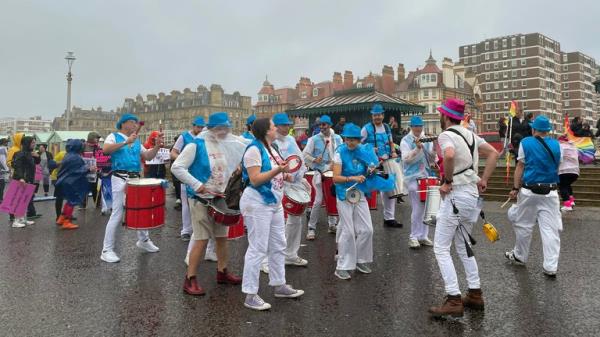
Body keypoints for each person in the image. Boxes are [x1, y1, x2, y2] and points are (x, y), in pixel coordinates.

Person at [428, 98, 499, 318]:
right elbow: (495, 153)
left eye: (441, 113)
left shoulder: (446, 134)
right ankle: (475, 294)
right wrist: (484, 179)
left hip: (457, 194)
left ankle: (453, 299)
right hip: (472, 195)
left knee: (440, 248)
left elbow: (448, 155)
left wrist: (447, 181)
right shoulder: (470, 135)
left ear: (446, 116)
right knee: (463, 245)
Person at [171, 112, 246, 296]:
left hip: (219, 197)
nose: (223, 132)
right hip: (199, 199)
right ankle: (190, 279)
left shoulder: (225, 145)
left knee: (222, 237)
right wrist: (197, 185)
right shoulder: (195, 144)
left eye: (226, 128)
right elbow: (176, 167)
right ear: (211, 129)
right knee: (202, 238)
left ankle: (222, 272)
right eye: (220, 128)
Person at [241, 117, 304, 310]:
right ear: (266, 131)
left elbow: (276, 172)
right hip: (257, 202)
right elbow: (255, 179)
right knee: (257, 248)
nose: (276, 128)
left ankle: (279, 284)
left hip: (274, 202)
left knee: (279, 244)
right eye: (273, 126)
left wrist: (286, 175)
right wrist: (279, 169)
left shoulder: (272, 148)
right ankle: (250, 295)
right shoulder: (253, 150)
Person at [332, 123, 395, 280]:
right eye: (348, 139)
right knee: (348, 230)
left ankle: (360, 260)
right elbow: (335, 178)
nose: (351, 142)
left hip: (358, 193)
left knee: (367, 229)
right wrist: (352, 178)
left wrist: (371, 171)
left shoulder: (364, 151)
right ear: (345, 138)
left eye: (354, 139)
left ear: (359, 140)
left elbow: (372, 172)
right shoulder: (339, 152)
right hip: (343, 193)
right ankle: (342, 266)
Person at [99, 114, 163, 263]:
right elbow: (106, 150)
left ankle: (144, 240)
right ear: (123, 124)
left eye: (136, 123)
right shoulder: (113, 136)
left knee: (142, 210)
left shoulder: (137, 141)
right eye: (132, 122)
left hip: (135, 178)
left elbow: (147, 156)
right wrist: (126, 142)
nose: (135, 125)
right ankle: (106, 249)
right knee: (117, 212)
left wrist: (157, 146)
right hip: (120, 178)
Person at [506, 115, 562, 278]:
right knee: (550, 230)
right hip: (550, 191)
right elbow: (557, 166)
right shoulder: (557, 144)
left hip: (530, 191)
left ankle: (520, 256)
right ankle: (550, 267)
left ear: (534, 129)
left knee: (524, 225)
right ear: (547, 130)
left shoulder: (526, 142)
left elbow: (520, 166)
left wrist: (515, 188)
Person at [272, 113, 310, 267]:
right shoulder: (270, 141)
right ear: (275, 126)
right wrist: (282, 175)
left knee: (296, 218)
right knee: (275, 223)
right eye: (284, 125)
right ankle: (269, 260)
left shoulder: (290, 139)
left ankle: (290, 254)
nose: (288, 127)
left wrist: (302, 177)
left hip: (293, 183)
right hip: (277, 184)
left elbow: (299, 159)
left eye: (288, 125)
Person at [361, 103, 402, 228]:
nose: (377, 117)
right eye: (375, 115)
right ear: (372, 116)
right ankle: (361, 218)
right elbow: (358, 145)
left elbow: (390, 141)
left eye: (379, 115)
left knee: (389, 188)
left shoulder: (386, 127)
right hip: (372, 164)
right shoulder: (366, 129)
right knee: (366, 188)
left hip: (386, 161)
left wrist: (393, 151)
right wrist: (369, 148)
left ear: (383, 116)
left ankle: (389, 218)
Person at [302, 115, 342, 240]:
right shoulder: (313, 139)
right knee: (318, 201)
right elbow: (305, 155)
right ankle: (311, 228)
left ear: (329, 125)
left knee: (333, 199)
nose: (321, 127)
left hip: (334, 173)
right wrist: (314, 159)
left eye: (324, 124)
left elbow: (342, 152)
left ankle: (332, 224)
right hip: (320, 174)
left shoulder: (337, 138)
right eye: (320, 125)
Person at [400, 116, 437, 248]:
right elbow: (406, 159)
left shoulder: (427, 139)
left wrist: (435, 148)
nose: (418, 128)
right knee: (417, 208)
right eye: (416, 126)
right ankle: (413, 236)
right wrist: (417, 149)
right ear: (411, 127)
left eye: (420, 126)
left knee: (427, 208)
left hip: (426, 177)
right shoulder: (406, 140)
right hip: (412, 178)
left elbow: (433, 160)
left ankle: (423, 236)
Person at [170, 117, 205, 242]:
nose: (200, 130)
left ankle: (198, 230)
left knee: (200, 205)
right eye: (198, 127)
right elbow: (173, 152)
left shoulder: (204, 137)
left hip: (201, 175)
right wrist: (183, 160)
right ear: (193, 126)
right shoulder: (183, 137)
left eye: (202, 127)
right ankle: (186, 230)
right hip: (187, 174)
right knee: (186, 204)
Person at [55, 139, 95, 230]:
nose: (83, 147)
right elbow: (77, 171)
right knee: (71, 201)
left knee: (69, 201)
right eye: (82, 146)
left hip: (65, 181)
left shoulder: (68, 155)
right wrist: (89, 169)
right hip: (71, 182)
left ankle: (61, 218)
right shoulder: (76, 157)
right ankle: (67, 222)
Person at [10, 136, 41, 227]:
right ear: (27, 143)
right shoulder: (20, 153)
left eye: (34, 142)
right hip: (22, 179)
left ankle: (23, 219)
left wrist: (37, 156)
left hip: (29, 178)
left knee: (25, 200)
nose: (34, 144)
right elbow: (17, 166)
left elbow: (36, 162)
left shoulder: (30, 153)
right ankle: (16, 221)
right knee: (19, 199)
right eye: (32, 143)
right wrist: (20, 177)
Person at [557, 135, 579, 211]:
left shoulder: (560, 146)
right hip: (575, 171)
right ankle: (571, 201)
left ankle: (567, 205)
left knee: (562, 186)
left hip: (564, 170)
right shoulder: (573, 147)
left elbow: (558, 158)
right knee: (567, 185)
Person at [82, 132, 102, 209]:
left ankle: (97, 203)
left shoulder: (98, 147)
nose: (98, 140)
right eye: (96, 138)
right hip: (85, 171)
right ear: (91, 138)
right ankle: (83, 204)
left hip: (95, 172)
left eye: (98, 138)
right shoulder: (83, 146)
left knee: (96, 189)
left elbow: (101, 158)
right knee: (84, 188)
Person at [0, 138, 8, 203]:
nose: (7, 143)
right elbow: (3, 161)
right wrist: (6, 169)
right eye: (6, 142)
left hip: (1, 169)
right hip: (1, 170)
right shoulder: (2, 149)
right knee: (2, 184)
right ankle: (1, 199)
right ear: (4, 142)